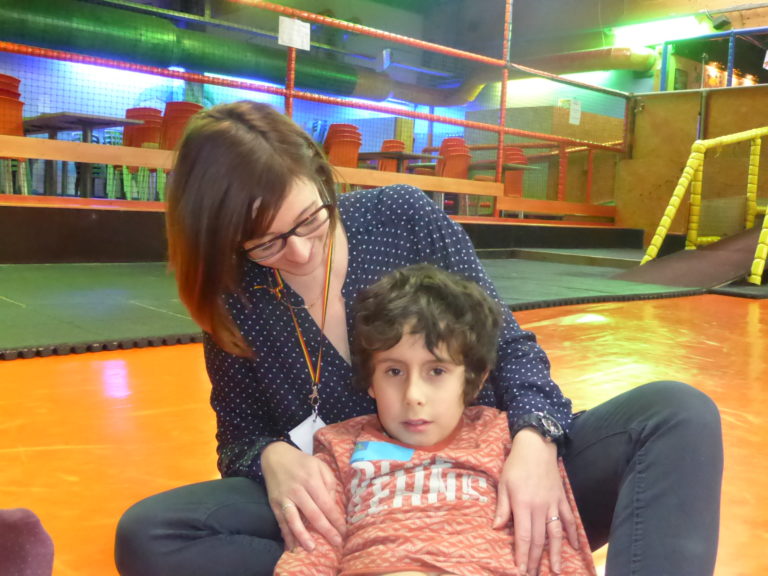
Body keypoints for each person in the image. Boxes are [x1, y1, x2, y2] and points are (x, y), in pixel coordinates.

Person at [114, 101, 723, 576]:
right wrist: (272, 458)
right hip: (360, 510)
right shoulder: (235, 298)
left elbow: (507, 344)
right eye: (265, 242)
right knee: (152, 534)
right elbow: (240, 435)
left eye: (308, 220)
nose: (298, 253)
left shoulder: (401, 218)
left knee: (675, 413)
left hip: (494, 491)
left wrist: (535, 440)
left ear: (323, 180)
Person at [274, 263, 597, 576]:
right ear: (371, 380)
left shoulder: (506, 438)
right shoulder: (339, 446)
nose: (413, 395)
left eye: (437, 371)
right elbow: (312, 551)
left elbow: (557, 548)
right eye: (394, 371)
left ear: (473, 380)